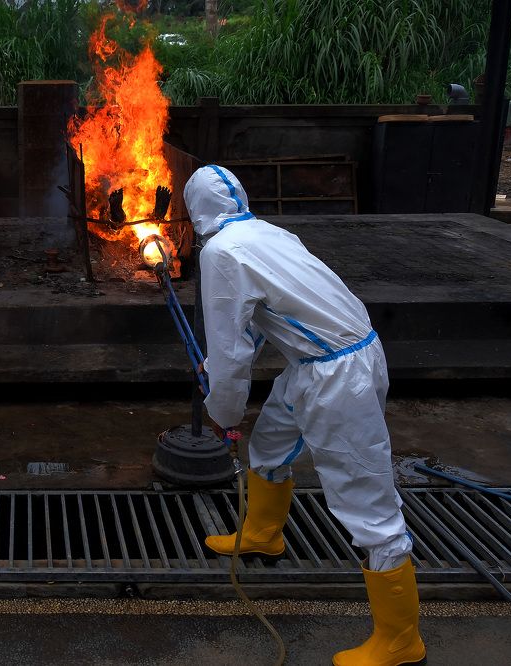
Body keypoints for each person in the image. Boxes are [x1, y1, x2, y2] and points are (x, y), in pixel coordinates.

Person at [183, 165, 425, 666]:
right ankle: (263, 535)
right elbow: (256, 317)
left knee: (367, 501)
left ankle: (401, 640)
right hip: (332, 358)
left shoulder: (220, 252)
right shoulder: (264, 231)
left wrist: (222, 412)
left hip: (337, 377)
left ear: (193, 211)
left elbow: (229, 352)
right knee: (270, 444)